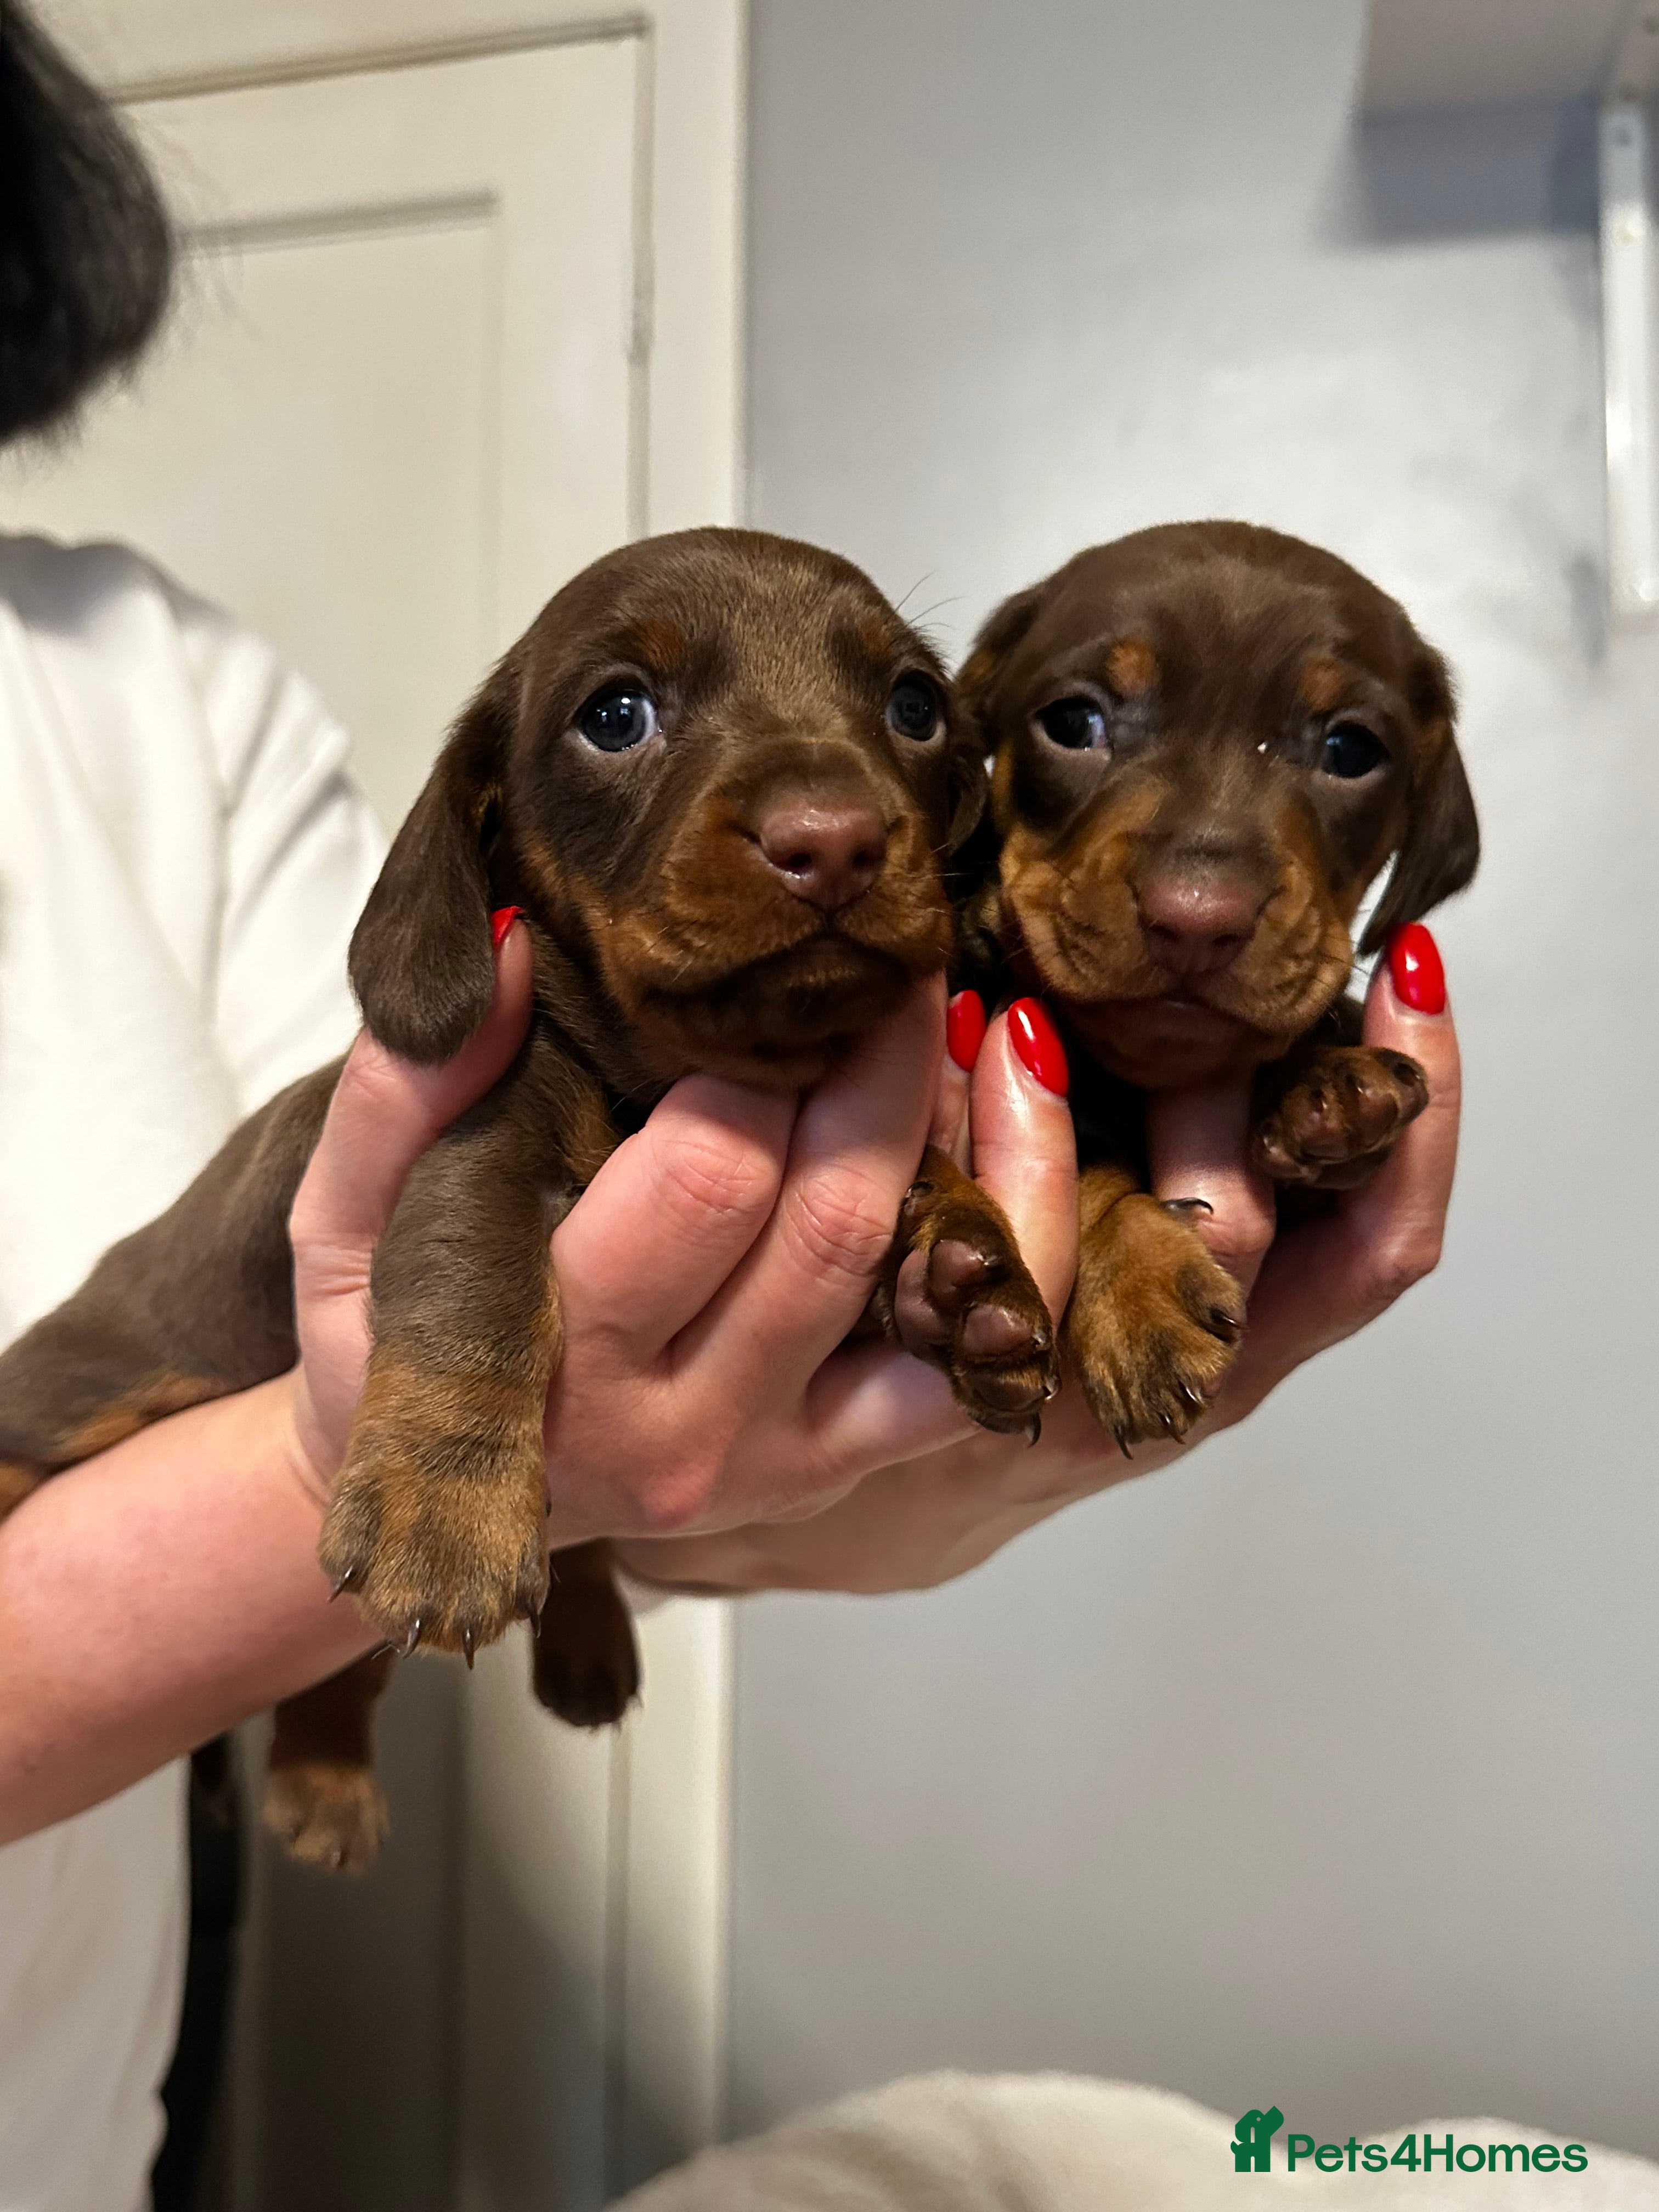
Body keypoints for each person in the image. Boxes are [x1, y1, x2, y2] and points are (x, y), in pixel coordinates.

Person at [0, 6, 1461, 2209]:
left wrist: (792, 1479)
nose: (810, 806)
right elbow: (450, 1311)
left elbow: (649, 1363)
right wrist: (391, 1459)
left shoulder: (146, 687)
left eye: (887, 718)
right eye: (618, 717)